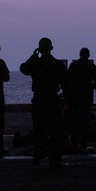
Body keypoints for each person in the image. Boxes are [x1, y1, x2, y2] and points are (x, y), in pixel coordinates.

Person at [20, 37, 67, 167]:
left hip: (40, 99)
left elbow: (23, 69)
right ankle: (55, 157)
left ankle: (40, 153)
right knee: (55, 130)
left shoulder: (36, 64)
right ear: (51, 48)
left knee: (39, 129)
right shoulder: (57, 64)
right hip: (52, 99)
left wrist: (33, 57)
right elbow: (65, 84)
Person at [66, 47, 96, 152]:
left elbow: (67, 80)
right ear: (88, 55)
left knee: (74, 119)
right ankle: (84, 142)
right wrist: (91, 86)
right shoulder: (91, 66)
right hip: (87, 96)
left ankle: (74, 141)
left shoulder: (73, 65)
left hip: (74, 96)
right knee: (85, 119)